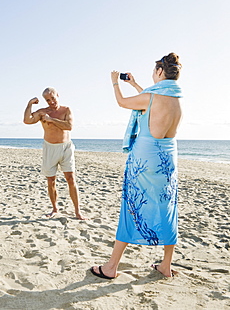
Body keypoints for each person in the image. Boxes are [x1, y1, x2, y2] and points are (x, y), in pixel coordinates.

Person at [91, 53, 182, 279]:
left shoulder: (151, 97)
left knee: (132, 206)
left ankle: (111, 267)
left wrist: (115, 82)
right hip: (168, 160)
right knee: (167, 208)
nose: (153, 74)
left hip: (145, 158)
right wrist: (134, 84)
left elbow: (124, 103)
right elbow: (150, 101)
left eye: (154, 71)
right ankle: (166, 266)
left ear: (160, 72)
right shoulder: (176, 99)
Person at [23, 87, 85, 220]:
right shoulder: (42, 113)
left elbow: (69, 126)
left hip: (66, 147)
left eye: (52, 98)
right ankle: (55, 209)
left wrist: (51, 120)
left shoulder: (66, 110)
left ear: (58, 95)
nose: (51, 101)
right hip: (49, 148)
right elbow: (27, 120)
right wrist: (29, 105)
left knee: (71, 179)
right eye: (47, 100)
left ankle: (77, 211)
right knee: (51, 180)